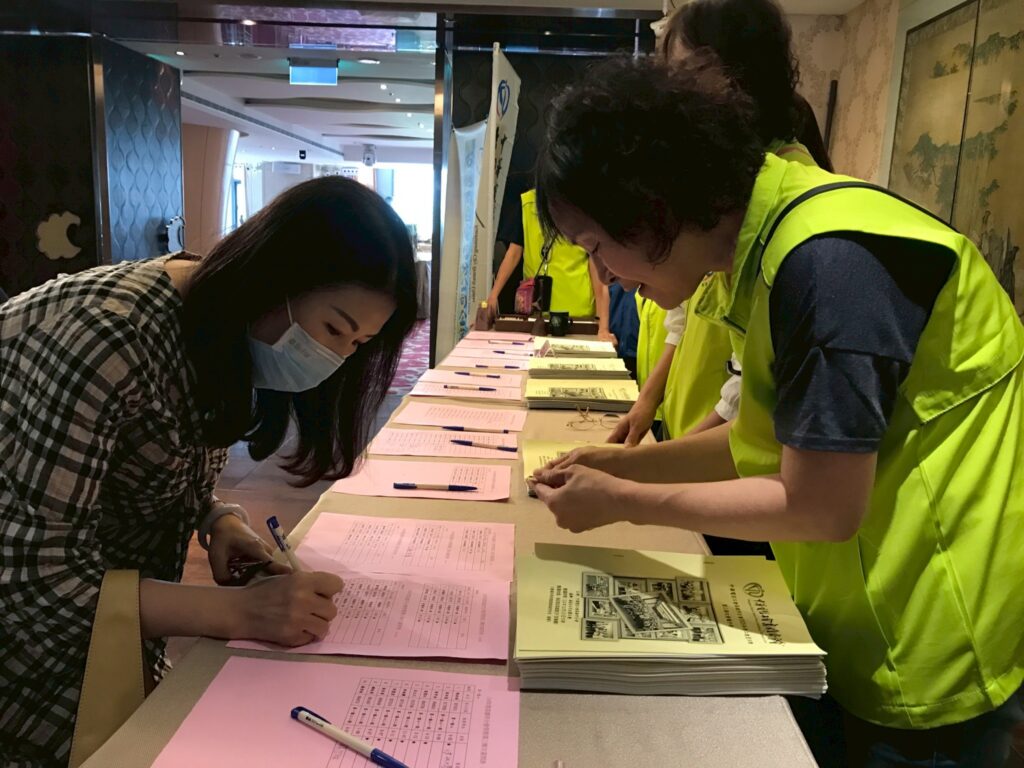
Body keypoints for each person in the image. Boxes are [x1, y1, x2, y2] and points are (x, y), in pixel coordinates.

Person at [532, 56, 1024, 766]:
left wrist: (623, 500)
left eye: (597, 247)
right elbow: (759, 440)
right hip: (854, 614)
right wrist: (622, 464)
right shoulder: (771, 248)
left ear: (651, 208)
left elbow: (822, 505)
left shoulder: (830, 264)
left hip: (929, 641)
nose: (605, 274)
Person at [0, 176, 418, 767]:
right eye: (333, 329)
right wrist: (238, 613)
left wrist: (218, 519)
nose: (336, 357)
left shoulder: (221, 324)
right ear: (276, 278)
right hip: (29, 655)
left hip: (109, 632)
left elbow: (156, 460)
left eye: (358, 343)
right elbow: (34, 581)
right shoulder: (110, 337)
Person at [487, 188, 615, 345]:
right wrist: (493, 295)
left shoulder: (583, 207)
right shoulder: (527, 203)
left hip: (576, 318)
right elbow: (513, 253)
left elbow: (598, 274)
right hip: (534, 316)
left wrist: (603, 327)